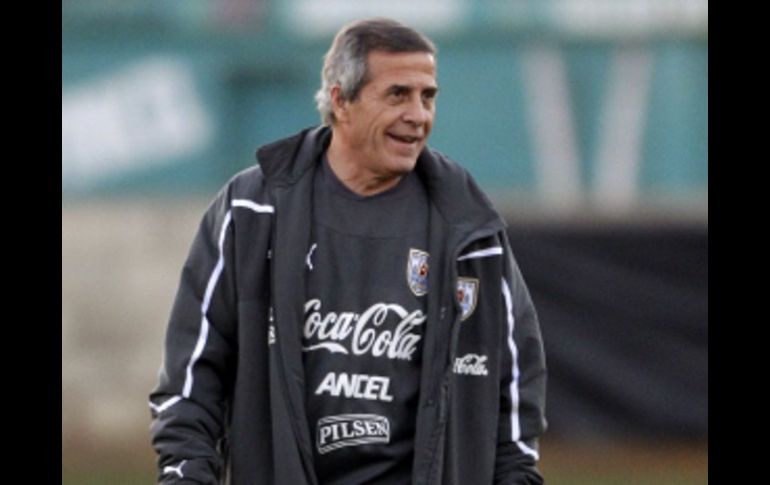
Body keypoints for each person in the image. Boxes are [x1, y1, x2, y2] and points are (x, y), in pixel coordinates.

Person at [149, 17, 547, 485]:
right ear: (340, 101)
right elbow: (192, 375)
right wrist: (186, 474)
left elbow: (515, 382)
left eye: (427, 97)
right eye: (397, 94)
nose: (418, 115)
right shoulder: (252, 210)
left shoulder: (468, 224)